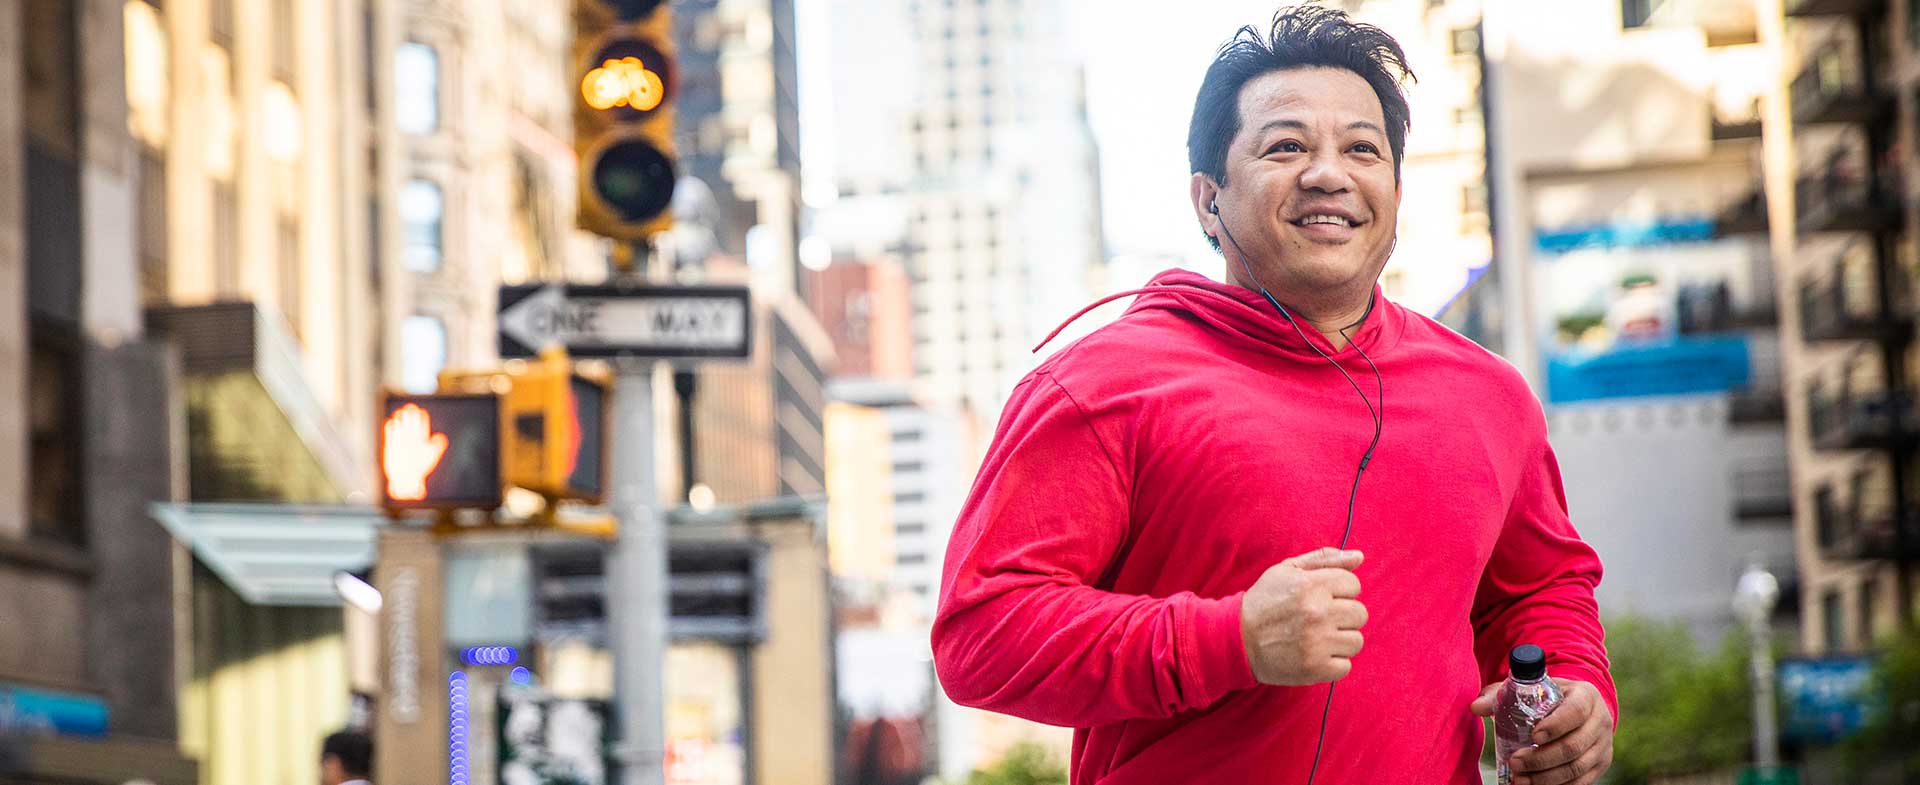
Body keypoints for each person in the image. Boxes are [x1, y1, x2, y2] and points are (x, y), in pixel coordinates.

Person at [930, 6, 1616, 785]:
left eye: (1363, 148)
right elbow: (980, 636)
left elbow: (1539, 588)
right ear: (1207, 200)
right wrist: (1231, 640)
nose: (1330, 173)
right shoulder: (1099, 383)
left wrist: (1573, 688)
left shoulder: (1489, 395)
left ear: (1394, 187)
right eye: (1285, 145)